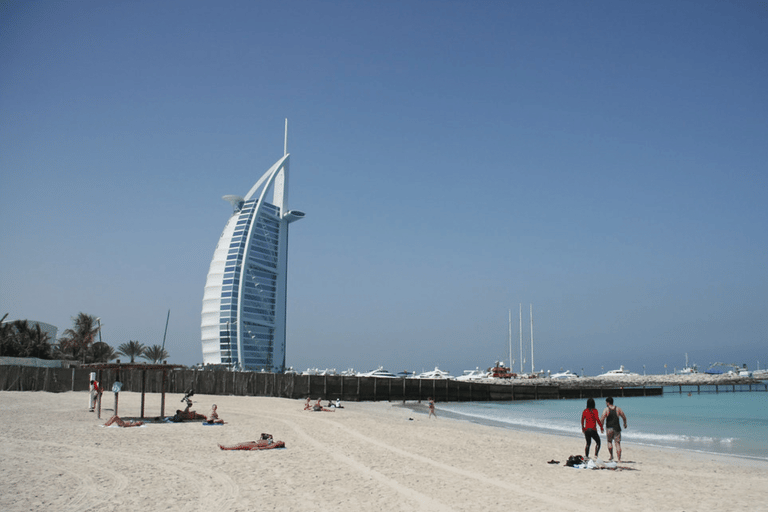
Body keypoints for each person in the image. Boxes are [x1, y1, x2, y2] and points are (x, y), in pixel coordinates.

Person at [600, 397, 628, 462]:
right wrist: (625, 424)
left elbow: (602, 418)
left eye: (606, 403)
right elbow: (624, 416)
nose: (606, 404)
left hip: (609, 428)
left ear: (608, 402)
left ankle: (611, 455)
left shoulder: (606, 409)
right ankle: (619, 459)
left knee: (609, 442)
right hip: (617, 428)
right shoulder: (618, 409)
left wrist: (601, 427)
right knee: (617, 443)